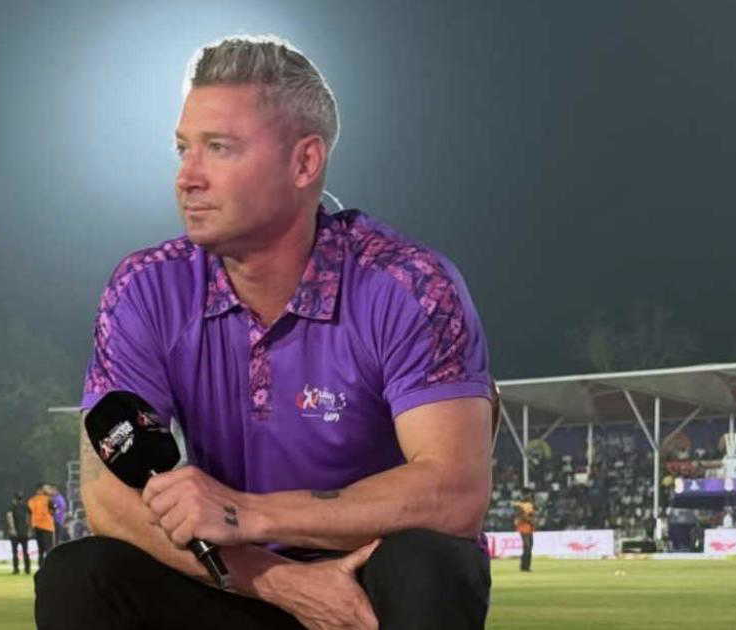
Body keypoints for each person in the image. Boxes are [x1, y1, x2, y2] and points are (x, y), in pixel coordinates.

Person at [36, 34, 494, 630]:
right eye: (182, 149)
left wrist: (249, 513)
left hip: (364, 582)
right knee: (80, 574)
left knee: (429, 563)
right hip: (235, 579)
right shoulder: (146, 287)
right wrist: (279, 580)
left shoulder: (407, 283)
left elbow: (455, 492)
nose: (187, 177)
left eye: (219, 148)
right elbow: (108, 497)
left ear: (304, 162)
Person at [28, 483, 57, 566]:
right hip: (47, 526)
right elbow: (53, 511)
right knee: (49, 548)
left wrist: (30, 527)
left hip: (36, 526)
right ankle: (50, 566)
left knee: (40, 549)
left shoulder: (31, 500)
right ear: (42, 490)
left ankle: (40, 566)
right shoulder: (48, 499)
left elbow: (29, 514)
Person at [6, 492, 32, 575]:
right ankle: (27, 569)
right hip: (24, 532)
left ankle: (16, 569)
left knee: (15, 552)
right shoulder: (26, 507)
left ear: (14, 499)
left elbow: (9, 517)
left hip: (15, 533)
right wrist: (29, 530)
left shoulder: (12, 507)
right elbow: (29, 519)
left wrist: (12, 529)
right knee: (26, 551)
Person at [513, 493, 537, 572]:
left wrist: (531, 519)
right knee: (527, 547)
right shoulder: (522, 506)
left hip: (529, 528)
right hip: (524, 528)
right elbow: (521, 516)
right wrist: (530, 519)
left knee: (529, 547)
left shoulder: (527, 506)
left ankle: (525, 566)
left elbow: (532, 514)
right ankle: (525, 566)